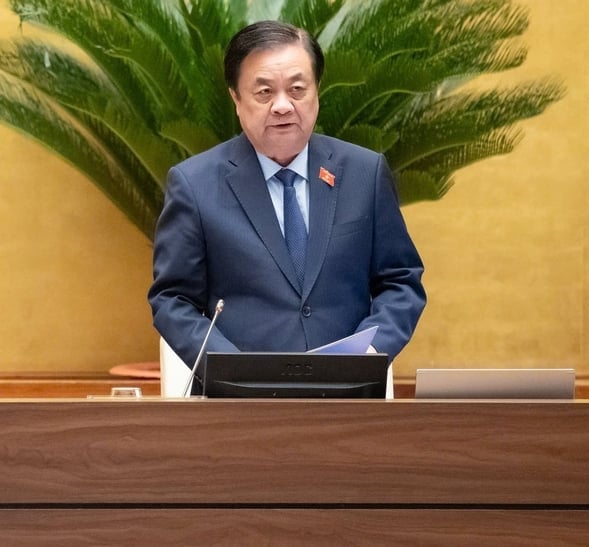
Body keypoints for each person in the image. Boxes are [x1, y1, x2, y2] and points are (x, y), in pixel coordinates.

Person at [149, 20, 426, 374]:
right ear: (236, 98)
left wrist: (370, 353)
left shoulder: (364, 173)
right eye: (264, 92)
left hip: (348, 391)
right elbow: (172, 299)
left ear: (317, 91)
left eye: (297, 89)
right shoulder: (195, 184)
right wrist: (230, 367)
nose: (282, 106)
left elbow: (400, 280)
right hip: (241, 395)